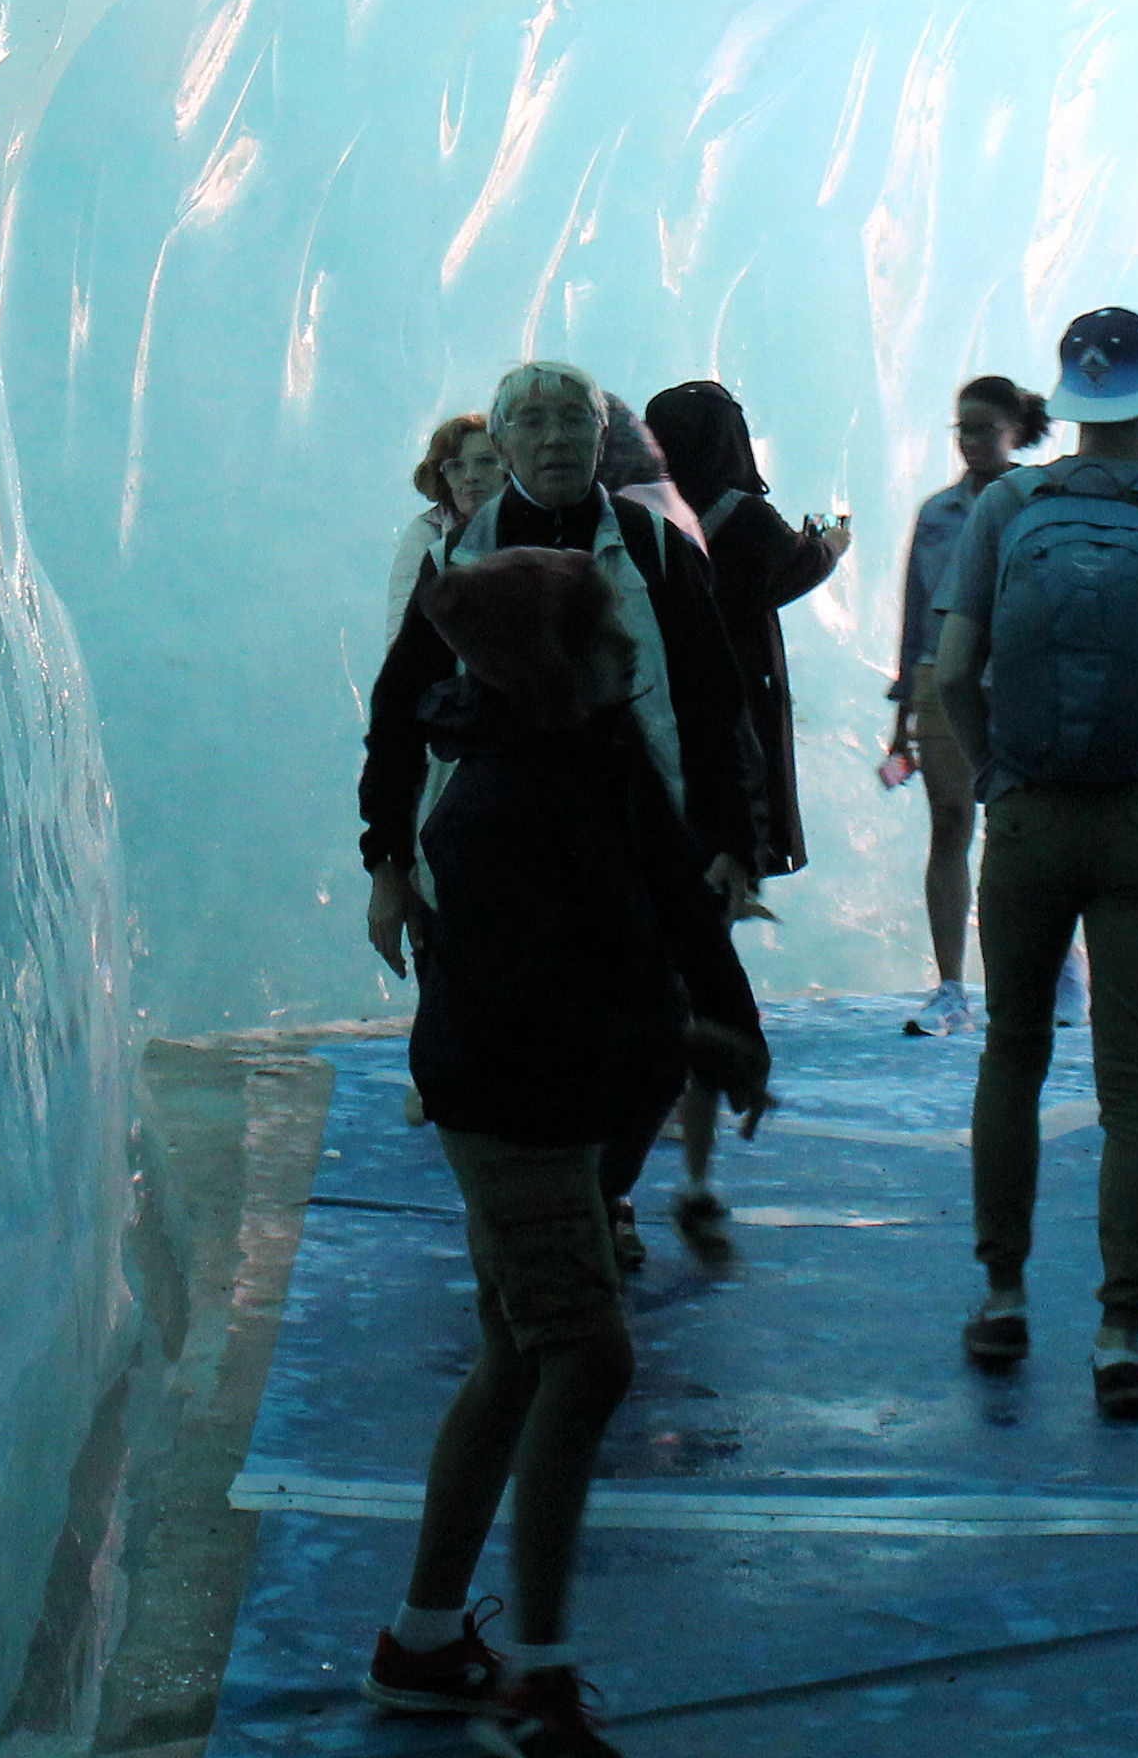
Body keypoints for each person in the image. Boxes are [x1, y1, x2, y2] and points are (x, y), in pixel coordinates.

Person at [354, 494, 774, 1756]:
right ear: (552, 661)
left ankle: (425, 1643)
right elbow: (528, 1014)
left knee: (519, 1354)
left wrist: (730, 1019)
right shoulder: (486, 813)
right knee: (586, 1357)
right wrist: (683, 1041)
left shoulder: (587, 748)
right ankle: (534, 1679)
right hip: (514, 1113)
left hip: (551, 1097)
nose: (628, 654)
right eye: (604, 637)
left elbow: (670, 879)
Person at [933, 306, 1138, 1422]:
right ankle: (1121, 1333)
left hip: (1028, 815)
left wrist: (994, 779)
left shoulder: (1004, 509)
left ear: (1064, 397)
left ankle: (1003, 1294)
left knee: (1012, 1059)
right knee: (1133, 1088)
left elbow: (950, 676)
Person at [363, 364, 751, 1267]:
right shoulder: (456, 565)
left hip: (635, 838)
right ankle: (561, 1215)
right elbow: (396, 718)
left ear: (601, 437)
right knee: (545, 1031)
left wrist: (733, 840)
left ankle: (594, 1195)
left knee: (642, 1028)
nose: (557, 440)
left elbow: (711, 700)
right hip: (508, 854)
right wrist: (387, 857)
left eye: (574, 421)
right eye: (532, 424)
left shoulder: (657, 550)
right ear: (501, 445)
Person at [634, 379, 852, 1233]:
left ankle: (638, 1167)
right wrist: (830, 544)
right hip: (731, 760)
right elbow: (789, 574)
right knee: (704, 958)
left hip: (657, 758)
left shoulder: (638, 516)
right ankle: (692, 1167)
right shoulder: (745, 519)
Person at [882, 373, 1046, 1035]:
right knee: (950, 824)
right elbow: (916, 613)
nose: (971, 441)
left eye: (983, 428)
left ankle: (1042, 973)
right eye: (963, 429)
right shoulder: (937, 512)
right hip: (936, 679)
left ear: (1014, 431)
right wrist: (902, 717)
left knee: (1021, 828)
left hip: (1013, 680)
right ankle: (951, 984)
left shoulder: (1035, 501)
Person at [388, 412, 500, 634]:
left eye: (485, 461)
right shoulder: (428, 532)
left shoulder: (530, 520)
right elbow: (401, 631)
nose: (470, 476)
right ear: (443, 476)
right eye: (457, 466)